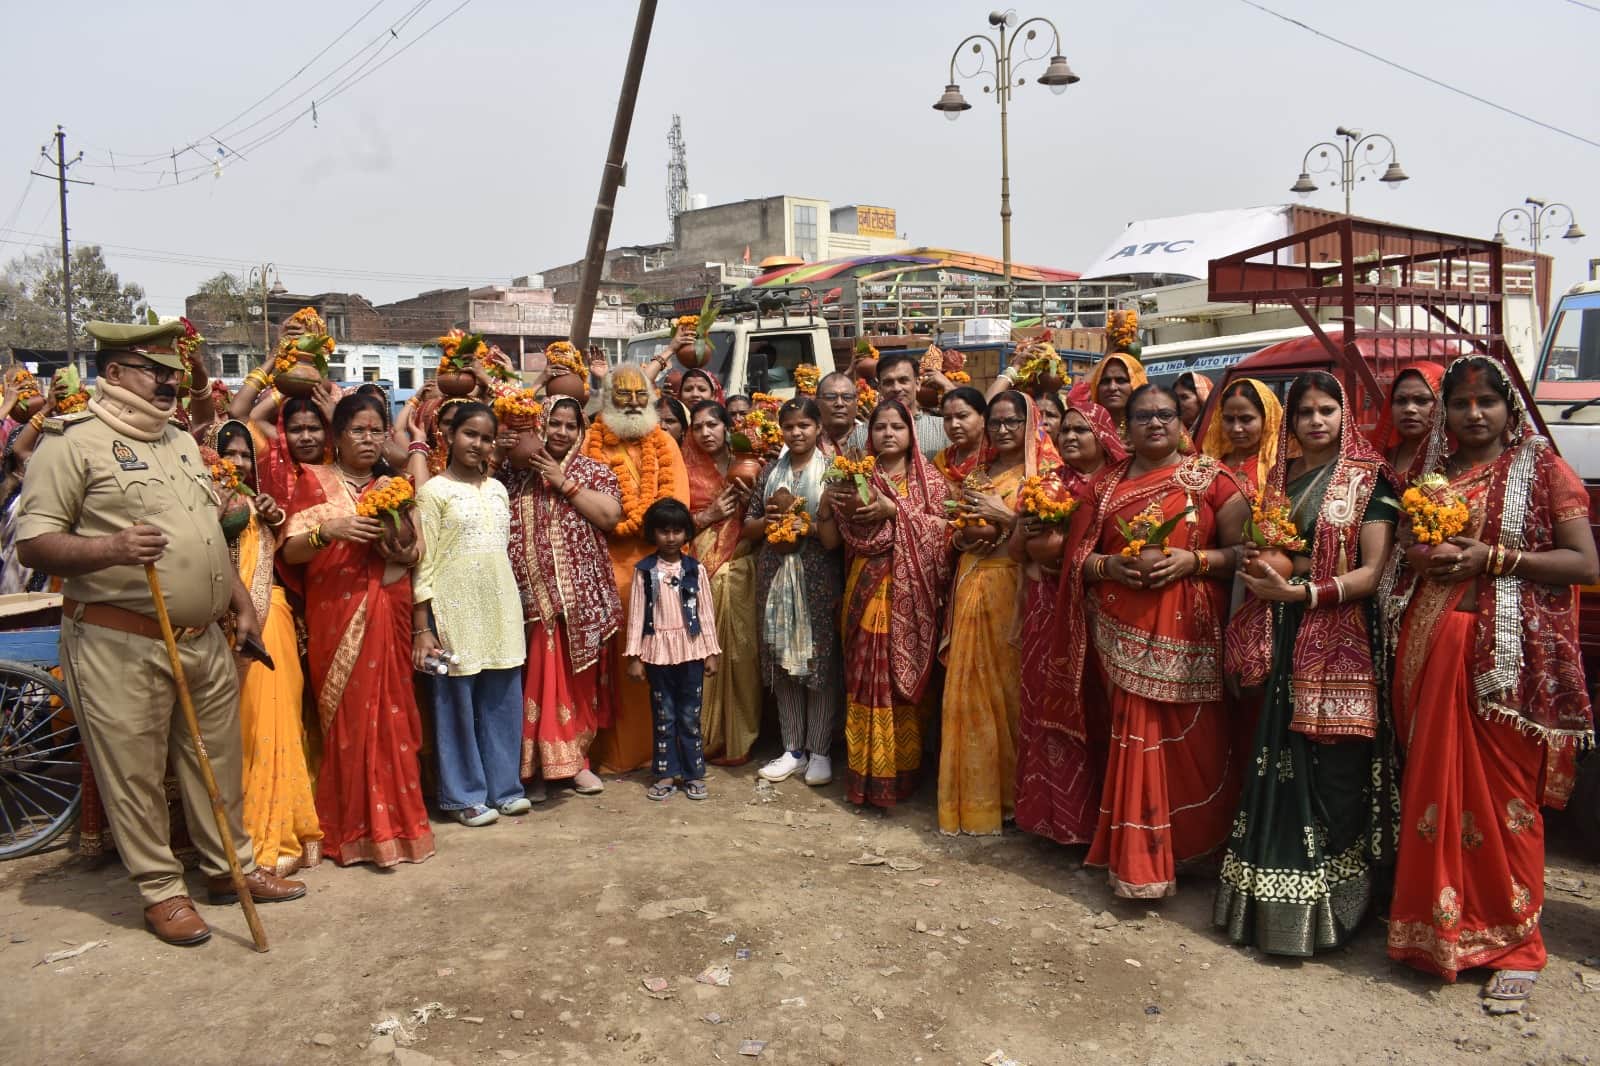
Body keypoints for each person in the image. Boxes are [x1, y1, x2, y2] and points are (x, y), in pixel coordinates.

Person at [17, 320, 304, 946]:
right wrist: (112, 547)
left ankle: (232, 868)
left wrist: (238, 602)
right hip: (121, 638)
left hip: (202, 636)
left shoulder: (178, 440)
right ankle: (162, 891)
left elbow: (209, 532)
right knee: (136, 772)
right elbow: (35, 541)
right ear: (114, 374)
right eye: (156, 372)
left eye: (174, 374)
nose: (171, 384)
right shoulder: (72, 444)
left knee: (216, 763)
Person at [1386, 356, 1598, 1011]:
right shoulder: (1433, 474)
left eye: (1486, 402)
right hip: (1429, 646)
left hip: (1503, 665)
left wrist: (1495, 558)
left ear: (1511, 409)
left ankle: (1514, 944)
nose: (1473, 414)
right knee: (1432, 792)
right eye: (1460, 403)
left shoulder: (1542, 470)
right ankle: (1435, 933)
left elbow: (1583, 561)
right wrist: (1421, 554)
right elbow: (1404, 549)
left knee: (1506, 801)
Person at [1214, 372, 1400, 956]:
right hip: (1283, 629)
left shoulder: (1369, 480)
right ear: (1289, 423)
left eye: (1326, 410)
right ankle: (1272, 909)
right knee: (1278, 760)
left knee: (1335, 769)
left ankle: (1340, 907)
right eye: (1305, 413)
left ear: (1346, 416)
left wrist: (1303, 592)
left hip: (1339, 635)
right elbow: (1273, 547)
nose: (1316, 422)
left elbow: (1372, 574)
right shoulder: (1279, 478)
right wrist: (1263, 564)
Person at [1063, 383, 1250, 897]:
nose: (1155, 424)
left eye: (1165, 414)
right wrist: (1110, 566)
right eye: (1142, 416)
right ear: (1125, 426)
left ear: (1181, 420)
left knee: (1197, 743)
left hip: (1190, 635)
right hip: (1120, 633)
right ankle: (1141, 862)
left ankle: (1195, 850)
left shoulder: (1211, 479)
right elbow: (1078, 558)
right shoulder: (1104, 487)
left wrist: (1196, 560)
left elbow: (1246, 554)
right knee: (1132, 738)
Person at [280, 393, 435, 868]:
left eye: (376, 431)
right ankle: (351, 831)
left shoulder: (397, 485)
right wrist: (333, 530)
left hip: (388, 608)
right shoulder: (314, 481)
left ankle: (397, 829)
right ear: (338, 437)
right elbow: (289, 552)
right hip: (337, 614)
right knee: (348, 724)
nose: (368, 440)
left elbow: (416, 552)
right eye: (357, 431)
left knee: (392, 717)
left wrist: (396, 536)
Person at [206, 419, 323, 876]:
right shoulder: (202, 503)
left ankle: (279, 830)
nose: (236, 462)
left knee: (279, 725)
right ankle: (242, 839)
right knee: (240, 731)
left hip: (271, 620)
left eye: (243, 455)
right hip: (224, 627)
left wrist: (268, 515)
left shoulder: (259, 502)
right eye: (228, 453)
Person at [412, 402, 530, 826]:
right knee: (455, 703)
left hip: (499, 603)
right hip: (453, 607)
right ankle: (463, 795)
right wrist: (422, 627)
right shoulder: (433, 493)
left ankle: (505, 789)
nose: (477, 444)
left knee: (502, 698)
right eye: (469, 434)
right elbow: (423, 563)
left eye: (485, 437)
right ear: (449, 436)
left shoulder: (497, 490)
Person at [1015, 396, 1124, 846]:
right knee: (1046, 705)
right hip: (1048, 607)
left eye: (1083, 430)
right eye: (1067, 431)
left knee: (1102, 709)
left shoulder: (1121, 484)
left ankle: (1108, 826)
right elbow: (1015, 553)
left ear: (1104, 436)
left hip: (1105, 608)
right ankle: (1059, 822)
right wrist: (1030, 536)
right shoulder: (1045, 484)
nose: (1073, 437)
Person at [937, 391, 1045, 835]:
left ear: (1029, 424)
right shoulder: (978, 473)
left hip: (1012, 589)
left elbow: (1047, 539)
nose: (1003, 430)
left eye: (1012, 422)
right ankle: (978, 798)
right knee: (968, 696)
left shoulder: (1043, 476)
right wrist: (960, 539)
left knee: (1012, 694)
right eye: (997, 422)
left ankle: (1016, 797)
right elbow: (952, 530)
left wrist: (1005, 515)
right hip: (971, 584)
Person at [503, 396, 622, 799]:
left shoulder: (594, 472)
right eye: (555, 423)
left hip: (578, 605)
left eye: (571, 426)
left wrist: (563, 481)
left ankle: (577, 765)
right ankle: (534, 770)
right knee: (530, 683)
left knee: (576, 684)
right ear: (540, 423)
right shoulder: (512, 474)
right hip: (527, 603)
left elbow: (609, 517)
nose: (562, 432)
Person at [836, 400, 953, 806]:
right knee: (866, 673)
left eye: (897, 427)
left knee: (899, 684)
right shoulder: (855, 476)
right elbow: (844, 529)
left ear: (911, 433)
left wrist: (895, 511)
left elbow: (944, 533)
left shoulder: (932, 483)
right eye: (880, 427)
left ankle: (900, 776)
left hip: (912, 595)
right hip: (864, 583)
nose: (888, 433)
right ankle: (864, 774)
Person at [580, 364, 691, 773]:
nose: (630, 405)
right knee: (613, 664)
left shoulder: (665, 445)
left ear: (653, 398)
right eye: (621, 396)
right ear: (606, 399)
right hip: (605, 568)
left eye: (638, 395)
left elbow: (676, 506)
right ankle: (609, 753)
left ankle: (656, 750)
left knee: (658, 660)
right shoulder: (588, 443)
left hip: (655, 567)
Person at [745, 397, 845, 785]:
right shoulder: (770, 471)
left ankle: (819, 750)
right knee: (783, 660)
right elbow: (748, 526)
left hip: (816, 575)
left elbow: (837, 540)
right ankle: (792, 749)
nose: (796, 432)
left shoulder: (833, 472)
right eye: (789, 427)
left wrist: (810, 527)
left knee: (818, 662)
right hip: (774, 574)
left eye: (804, 425)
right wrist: (768, 520)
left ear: (819, 428)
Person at [625, 499, 722, 801]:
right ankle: (666, 773)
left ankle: (693, 774)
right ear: (653, 534)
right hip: (657, 654)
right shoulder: (645, 571)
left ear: (686, 534)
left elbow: (706, 612)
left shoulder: (696, 570)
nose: (671, 538)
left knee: (690, 716)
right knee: (663, 714)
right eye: (664, 531)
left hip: (691, 651)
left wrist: (711, 651)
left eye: (677, 531)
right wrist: (634, 657)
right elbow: (637, 615)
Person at [683, 401, 761, 765]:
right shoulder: (684, 469)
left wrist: (752, 503)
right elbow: (673, 524)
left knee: (742, 654)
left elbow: (767, 519)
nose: (705, 433)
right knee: (701, 654)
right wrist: (709, 515)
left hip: (743, 567)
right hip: (701, 572)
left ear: (728, 427)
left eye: (713, 424)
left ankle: (739, 739)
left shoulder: (751, 463)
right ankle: (704, 735)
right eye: (697, 427)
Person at [848, 352, 948, 458]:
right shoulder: (860, 435)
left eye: (903, 380)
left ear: (918, 383)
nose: (896, 388)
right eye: (888, 382)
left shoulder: (943, 429)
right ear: (880, 389)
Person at [1200, 378, 1282, 499]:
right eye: (1229, 419)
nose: (1236, 428)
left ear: (1267, 419)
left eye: (1246, 419)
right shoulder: (1210, 462)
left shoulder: (1280, 465)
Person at [1369, 362, 1446, 485]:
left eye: (1421, 400)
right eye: (1401, 401)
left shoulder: (1455, 460)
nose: (1409, 409)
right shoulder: (1380, 458)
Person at [932, 387, 991, 486]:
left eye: (962, 416)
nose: (953, 424)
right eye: (947, 418)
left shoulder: (997, 457)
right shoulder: (941, 461)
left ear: (983, 418)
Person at [1084, 352, 1148, 437]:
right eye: (1105, 381)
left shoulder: (1148, 426)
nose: (1112, 387)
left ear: (1136, 384)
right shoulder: (1088, 427)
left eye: (1121, 380)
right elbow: (1073, 398)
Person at [815, 371, 862, 457]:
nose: (839, 403)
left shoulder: (872, 437)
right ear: (817, 404)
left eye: (847, 397)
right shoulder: (805, 440)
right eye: (830, 397)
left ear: (856, 404)